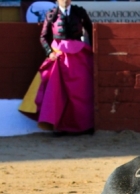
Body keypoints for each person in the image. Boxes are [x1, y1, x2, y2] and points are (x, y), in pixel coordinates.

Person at [20, 0, 94, 135]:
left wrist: (91, 51)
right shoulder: (51, 14)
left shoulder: (79, 12)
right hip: (59, 55)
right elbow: (43, 37)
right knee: (57, 92)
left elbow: (92, 32)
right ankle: (60, 126)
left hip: (78, 56)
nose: (65, 0)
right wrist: (50, 52)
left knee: (80, 91)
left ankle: (83, 125)